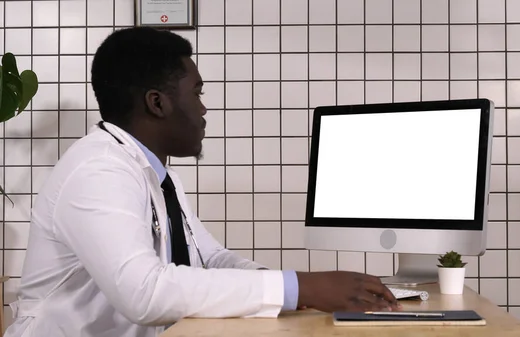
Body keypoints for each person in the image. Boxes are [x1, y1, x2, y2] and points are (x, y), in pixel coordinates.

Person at [5, 27, 400, 337]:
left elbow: (210, 259)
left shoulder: (159, 177)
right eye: (197, 92)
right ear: (157, 103)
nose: (204, 108)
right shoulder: (97, 169)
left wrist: (293, 291)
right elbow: (145, 293)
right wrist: (298, 288)